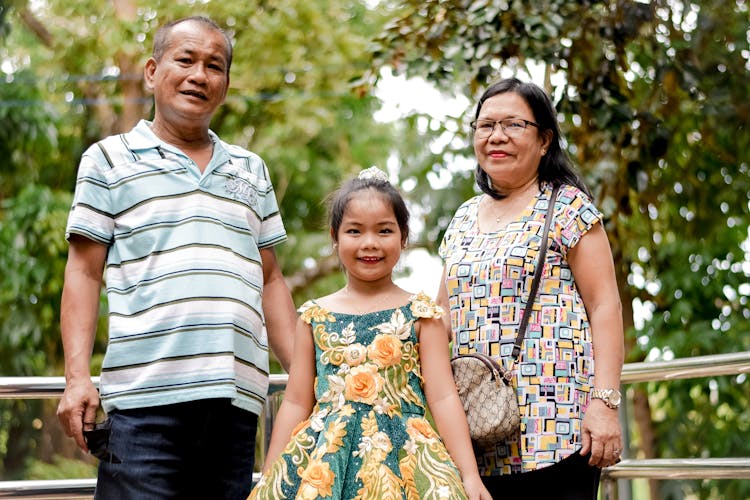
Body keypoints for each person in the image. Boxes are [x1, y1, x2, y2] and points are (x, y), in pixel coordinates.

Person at [56, 16, 296, 499]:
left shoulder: (252, 170)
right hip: (144, 406)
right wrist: (77, 378)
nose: (199, 75)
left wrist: (306, 380)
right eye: (184, 60)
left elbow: (270, 281)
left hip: (234, 407)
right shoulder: (108, 159)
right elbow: (83, 272)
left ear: (225, 85)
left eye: (215, 66)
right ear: (152, 71)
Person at [248, 167, 491, 499]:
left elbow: (444, 399)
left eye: (384, 230)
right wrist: (270, 477)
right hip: (325, 470)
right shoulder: (314, 317)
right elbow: (294, 401)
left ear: (403, 237)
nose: (370, 243)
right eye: (354, 231)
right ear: (334, 238)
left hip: (408, 467)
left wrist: (470, 476)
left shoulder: (422, 316)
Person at [436, 77, 625, 498]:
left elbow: (605, 307)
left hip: (558, 430)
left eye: (513, 125)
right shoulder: (463, 218)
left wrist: (605, 403)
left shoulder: (567, 206)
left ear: (544, 141)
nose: (496, 136)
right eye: (485, 126)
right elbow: (442, 316)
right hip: (478, 430)